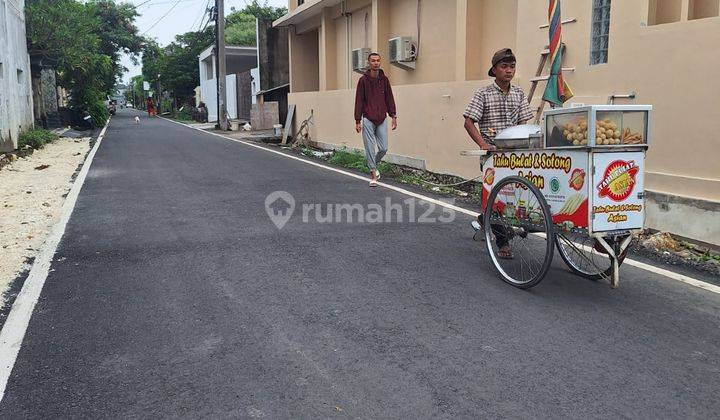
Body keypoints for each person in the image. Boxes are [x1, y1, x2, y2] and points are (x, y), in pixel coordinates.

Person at [463, 48, 534, 259]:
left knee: (514, 195)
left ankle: (486, 220)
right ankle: (503, 242)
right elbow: (468, 122)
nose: (509, 71)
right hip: (492, 155)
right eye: (504, 66)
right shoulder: (483, 93)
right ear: (494, 70)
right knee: (496, 198)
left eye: (512, 66)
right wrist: (483, 144)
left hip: (514, 155)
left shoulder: (519, 93)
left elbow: (524, 122)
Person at [354, 52, 397, 187]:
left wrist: (393, 116)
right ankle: (373, 174)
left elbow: (389, 98)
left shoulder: (384, 80)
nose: (376, 63)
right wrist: (357, 120)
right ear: (369, 63)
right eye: (373, 61)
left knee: (383, 148)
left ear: (380, 62)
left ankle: (372, 163)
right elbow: (359, 101)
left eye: (378, 60)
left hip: (382, 118)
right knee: (370, 148)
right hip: (367, 118)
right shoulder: (363, 81)